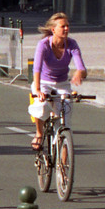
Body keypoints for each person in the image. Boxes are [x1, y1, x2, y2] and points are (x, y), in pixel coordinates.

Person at [29, 12, 87, 148]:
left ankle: (62, 165)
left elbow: (82, 67)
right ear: (53, 29)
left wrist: (80, 73)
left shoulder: (72, 44)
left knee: (65, 123)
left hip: (62, 83)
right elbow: (36, 68)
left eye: (67, 26)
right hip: (43, 82)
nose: (66, 29)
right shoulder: (43, 44)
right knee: (41, 106)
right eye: (63, 26)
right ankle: (39, 132)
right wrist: (37, 90)